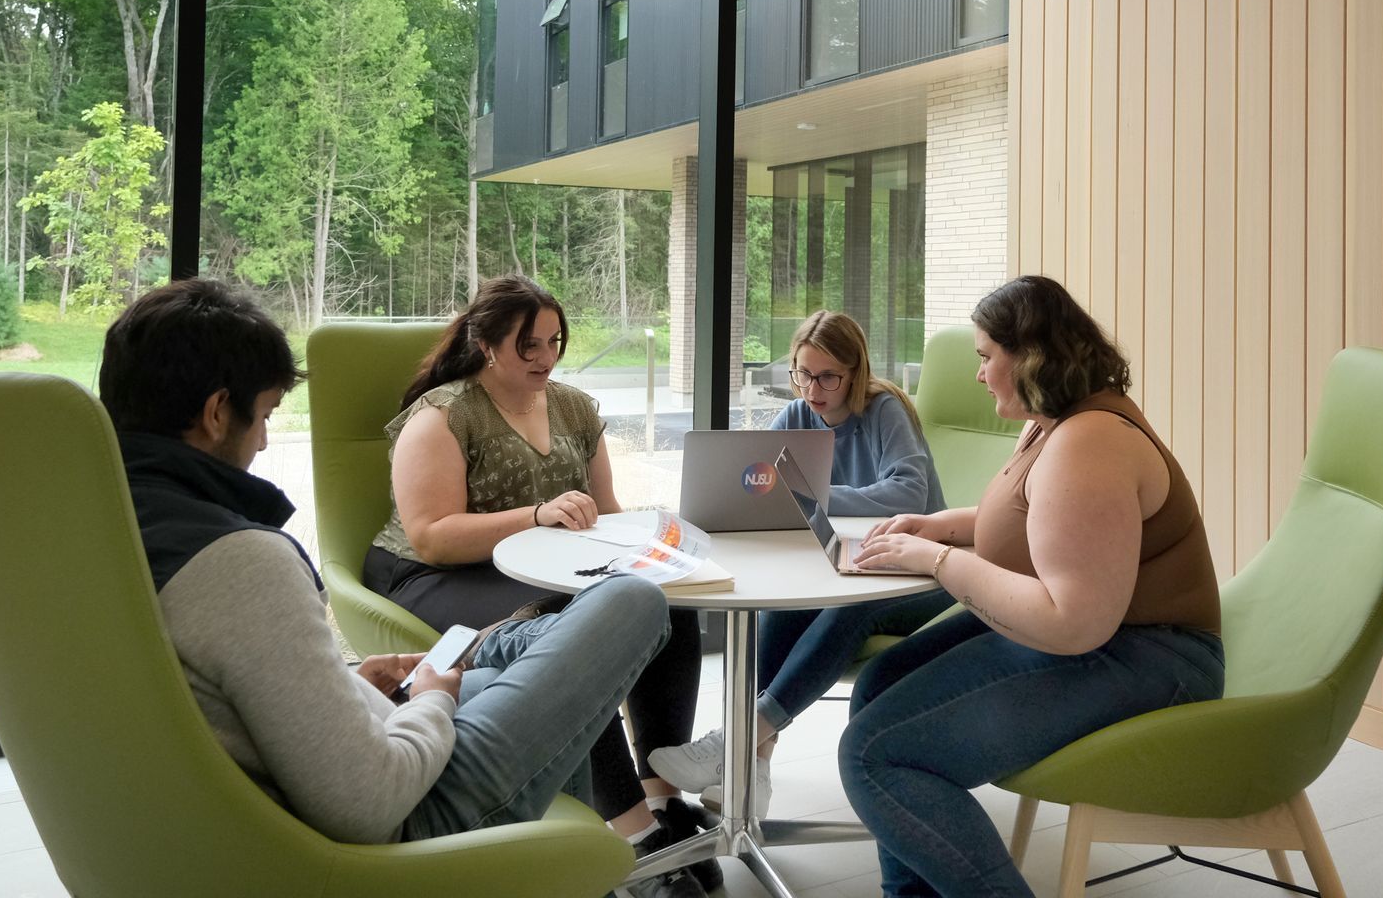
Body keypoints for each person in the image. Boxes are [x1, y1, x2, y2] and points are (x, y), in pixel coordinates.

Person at [99, 278, 671, 850]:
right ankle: (639, 838)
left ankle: (609, 831)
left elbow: (230, 698)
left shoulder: (106, 535)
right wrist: (431, 701)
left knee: (517, 662)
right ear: (218, 413)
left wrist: (348, 687)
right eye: (268, 414)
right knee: (631, 600)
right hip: (412, 817)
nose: (267, 444)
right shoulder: (240, 563)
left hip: (280, 790)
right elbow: (370, 803)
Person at [839, 275, 1225, 898]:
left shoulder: (1088, 443)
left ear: (1032, 357)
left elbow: (1071, 622)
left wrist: (938, 560)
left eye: (986, 357)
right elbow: (1041, 523)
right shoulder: (1054, 422)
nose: (979, 374)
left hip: (1151, 657)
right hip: (1109, 637)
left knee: (875, 756)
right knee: (883, 683)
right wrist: (946, 525)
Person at [362, 275, 712, 898]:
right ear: (487, 342)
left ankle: (663, 801)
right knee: (575, 634)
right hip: (438, 574)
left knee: (669, 602)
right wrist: (536, 513)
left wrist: (655, 548)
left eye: (555, 342)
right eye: (530, 346)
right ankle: (633, 839)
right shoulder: (444, 413)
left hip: (546, 568)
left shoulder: (575, 407)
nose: (547, 358)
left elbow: (607, 511)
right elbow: (430, 536)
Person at [648, 311, 953, 815]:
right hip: (848, 560)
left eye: (828, 376)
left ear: (855, 371)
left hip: (922, 570)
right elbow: (759, 488)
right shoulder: (795, 417)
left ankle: (737, 738)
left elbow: (909, 493)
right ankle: (755, 771)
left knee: (847, 608)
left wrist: (809, 497)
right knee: (781, 608)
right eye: (802, 373)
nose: (813, 389)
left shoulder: (884, 411)